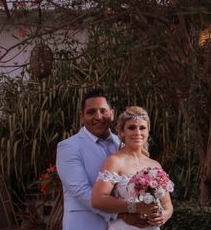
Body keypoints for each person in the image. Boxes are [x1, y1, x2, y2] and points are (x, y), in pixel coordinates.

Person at [56, 89, 151, 230]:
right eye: (91, 112)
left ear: (111, 114)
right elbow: (82, 192)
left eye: (103, 111)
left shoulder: (125, 144)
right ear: (82, 116)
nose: (98, 117)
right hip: (85, 224)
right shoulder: (69, 147)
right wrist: (122, 214)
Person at [91, 106, 174, 229]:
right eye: (131, 128)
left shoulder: (155, 165)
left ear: (148, 131)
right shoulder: (115, 161)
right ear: (122, 132)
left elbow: (167, 203)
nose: (137, 133)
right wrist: (135, 207)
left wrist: (164, 215)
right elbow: (98, 200)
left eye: (142, 128)